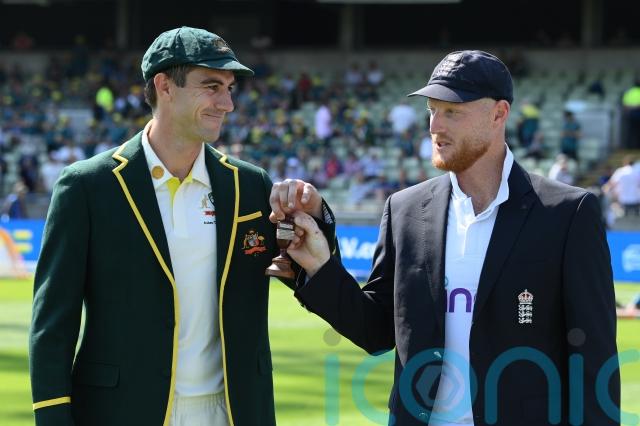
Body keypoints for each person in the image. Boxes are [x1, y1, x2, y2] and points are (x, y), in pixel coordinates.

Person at [285, 50, 620, 425]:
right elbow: (376, 330)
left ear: (499, 114)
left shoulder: (567, 213)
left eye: (452, 112)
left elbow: (594, 357)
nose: (435, 126)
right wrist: (319, 266)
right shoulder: (404, 209)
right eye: (432, 110)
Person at [29, 26, 337, 426]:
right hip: (122, 412)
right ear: (164, 86)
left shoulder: (250, 185)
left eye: (229, 89)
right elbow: (53, 322)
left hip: (233, 411)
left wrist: (317, 216)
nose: (227, 103)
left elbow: (313, 277)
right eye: (212, 86)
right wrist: (53, 417)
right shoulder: (87, 185)